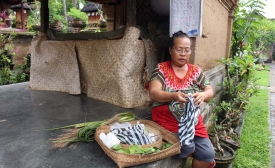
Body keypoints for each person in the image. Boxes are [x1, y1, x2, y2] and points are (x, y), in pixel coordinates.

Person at [149, 31, 216, 168]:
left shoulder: (195, 71)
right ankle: (185, 148)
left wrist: (202, 95)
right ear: (171, 50)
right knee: (187, 148)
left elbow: (209, 91)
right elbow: (154, 93)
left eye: (187, 50)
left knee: (207, 156)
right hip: (167, 121)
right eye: (179, 49)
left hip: (193, 123)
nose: (183, 53)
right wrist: (173, 95)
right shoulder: (161, 69)